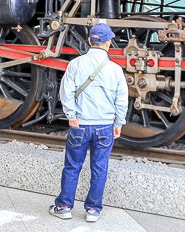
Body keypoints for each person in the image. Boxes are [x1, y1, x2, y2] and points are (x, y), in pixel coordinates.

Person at [50, 23, 128, 223]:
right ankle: (93, 210)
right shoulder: (116, 69)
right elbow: (122, 100)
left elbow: (65, 93)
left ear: (89, 41)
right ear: (108, 42)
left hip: (80, 125)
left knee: (72, 167)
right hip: (104, 127)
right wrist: (118, 122)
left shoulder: (75, 64)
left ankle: (64, 207)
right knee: (100, 168)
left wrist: (72, 117)